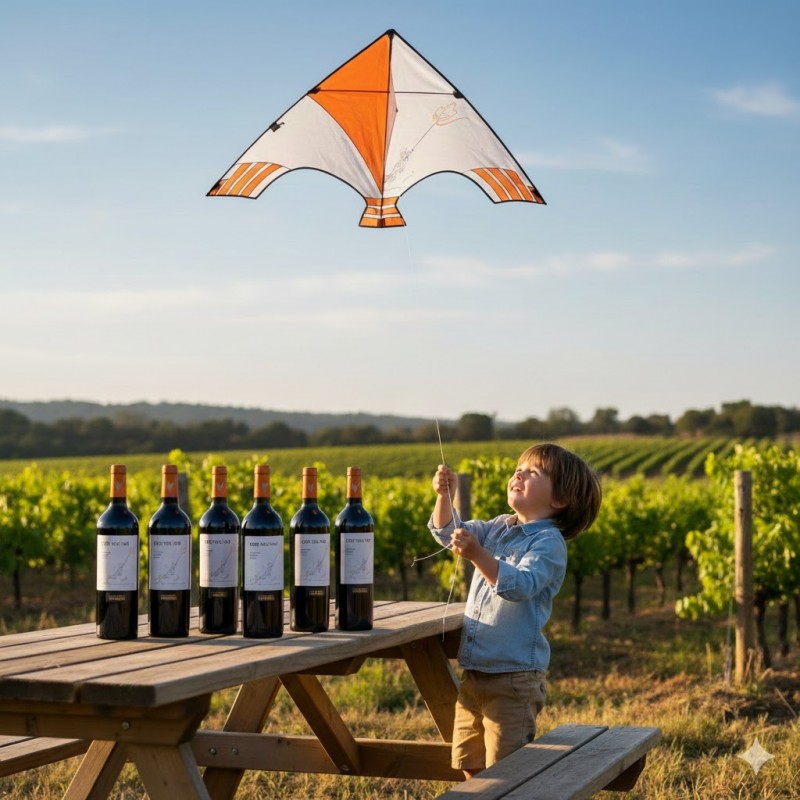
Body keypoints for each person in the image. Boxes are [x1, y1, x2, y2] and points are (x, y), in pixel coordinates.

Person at [429, 443, 601, 777]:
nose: (518, 474)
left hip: (514, 680)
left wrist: (479, 556)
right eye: (517, 468)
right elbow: (448, 531)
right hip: (475, 674)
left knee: (506, 772)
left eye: (532, 471)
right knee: (470, 764)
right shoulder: (498, 526)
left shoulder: (548, 543)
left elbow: (520, 585)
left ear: (560, 500)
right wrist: (443, 496)